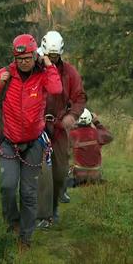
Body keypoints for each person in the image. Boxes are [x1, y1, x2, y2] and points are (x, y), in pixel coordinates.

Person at [0, 34, 62, 251]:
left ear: (34, 55)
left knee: (28, 193)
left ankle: (25, 238)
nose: (24, 62)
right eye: (20, 59)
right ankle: (13, 222)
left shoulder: (43, 75)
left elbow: (56, 90)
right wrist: (0, 83)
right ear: (14, 58)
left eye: (27, 57)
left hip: (34, 143)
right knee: (7, 186)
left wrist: (48, 64)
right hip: (8, 142)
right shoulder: (4, 74)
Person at [39, 30, 87, 225]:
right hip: (37, 127)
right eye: (50, 56)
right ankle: (43, 215)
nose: (52, 59)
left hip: (58, 128)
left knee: (59, 173)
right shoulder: (34, 69)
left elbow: (79, 97)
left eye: (56, 55)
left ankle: (53, 207)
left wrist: (72, 115)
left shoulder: (69, 72)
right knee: (42, 173)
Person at [68, 108, 113, 186]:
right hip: (95, 176)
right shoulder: (98, 133)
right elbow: (110, 136)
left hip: (79, 177)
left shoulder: (73, 134)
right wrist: (97, 122)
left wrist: (73, 125)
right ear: (90, 119)